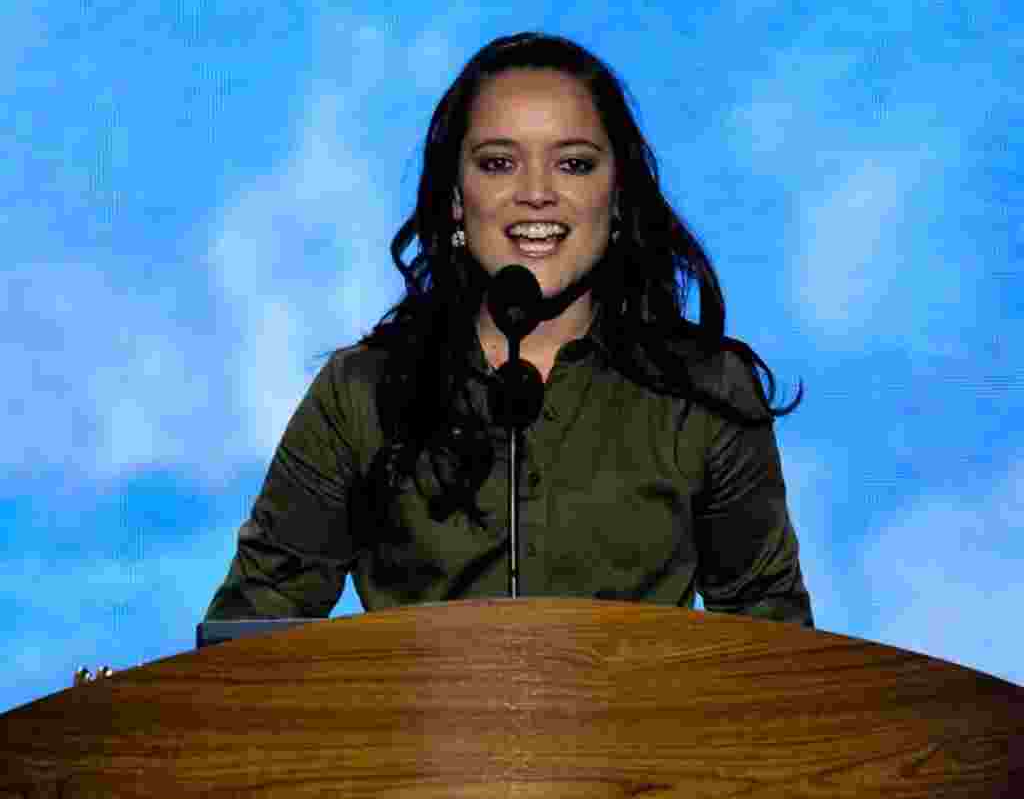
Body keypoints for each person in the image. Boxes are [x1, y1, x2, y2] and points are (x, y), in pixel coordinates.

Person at [203, 32, 814, 627]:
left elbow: (780, 652)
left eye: (573, 164)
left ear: (618, 196)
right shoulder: (361, 390)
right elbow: (251, 631)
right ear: (455, 198)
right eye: (498, 164)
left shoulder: (706, 390)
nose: (536, 194)